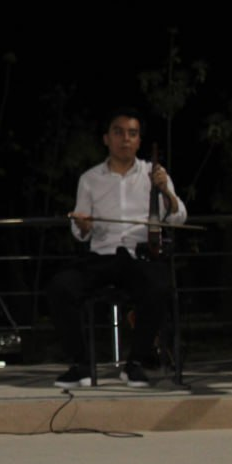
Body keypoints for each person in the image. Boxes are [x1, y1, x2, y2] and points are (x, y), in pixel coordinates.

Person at [47, 108, 187, 388]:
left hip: (139, 255)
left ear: (139, 140)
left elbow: (178, 217)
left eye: (132, 134)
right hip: (102, 256)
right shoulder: (90, 179)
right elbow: (81, 231)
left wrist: (166, 191)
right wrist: (83, 225)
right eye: (119, 132)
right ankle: (81, 365)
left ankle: (135, 364)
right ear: (106, 139)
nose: (125, 139)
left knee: (159, 287)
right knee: (61, 287)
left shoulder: (154, 173)